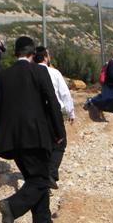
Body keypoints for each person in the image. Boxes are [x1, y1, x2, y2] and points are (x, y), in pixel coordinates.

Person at [0, 36, 66, 223]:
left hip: (11, 139)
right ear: (32, 54)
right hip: (36, 136)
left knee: (34, 177)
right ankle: (11, 207)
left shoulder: (2, 76)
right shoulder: (39, 71)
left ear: (16, 53)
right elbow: (52, 102)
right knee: (42, 179)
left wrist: (0, 138)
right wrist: (59, 131)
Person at [33, 46, 75, 189]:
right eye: (48, 55)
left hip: (35, 115)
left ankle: (41, 175)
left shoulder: (30, 73)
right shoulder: (54, 72)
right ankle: (50, 174)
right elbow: (65, 94)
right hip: (52, 113)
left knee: (42, 145)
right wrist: (71, 113)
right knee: (60, 143)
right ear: (45, 57)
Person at [84, 46, 113, 122]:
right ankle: (91, 100)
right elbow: (112, 75)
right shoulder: (112, 62)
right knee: (104, 97)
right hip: (109, 85)